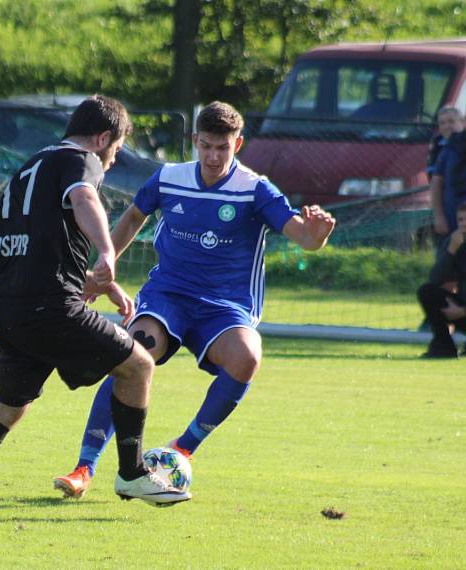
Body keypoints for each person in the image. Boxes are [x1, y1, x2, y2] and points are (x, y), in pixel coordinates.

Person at [53, 101, 336, 499]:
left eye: (223, 147)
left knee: (247, 356)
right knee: (129, 353)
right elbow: (134, 216)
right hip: (168, 296)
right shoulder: (169, 177)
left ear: (238, 144)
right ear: (194, 142)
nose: (214, 156)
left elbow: (304, 239)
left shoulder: (255, 189)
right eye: (206, 146)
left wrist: (317, 234)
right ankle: (85, 466)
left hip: (225, 307)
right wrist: (106, 266)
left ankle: (183, 448)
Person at [0, 95, 192, 516]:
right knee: (139, 365)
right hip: (51, 308)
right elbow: (86, 199)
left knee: (11, 404)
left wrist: (91, 281)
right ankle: (132, 472)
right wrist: (106, 252)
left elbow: (34, 244)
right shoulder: (81, 159)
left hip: (10, 309)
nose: (113, 160)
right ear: (103, 138)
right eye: (117, 149)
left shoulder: (28, 168)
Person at [417, 202, 466, 358]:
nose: (464, 224)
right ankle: (444, 347)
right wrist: (451, 250)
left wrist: (461, 311)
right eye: (461, 220)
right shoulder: (455, 242)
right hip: (459, 309)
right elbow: (435, 279)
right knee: (427, 292)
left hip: (462, 311)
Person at [426, 106, 463, 183]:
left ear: (462, 123)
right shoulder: (436, 144)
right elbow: (431, 172)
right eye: (442, 123)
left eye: (451, 121)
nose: (447, 126)